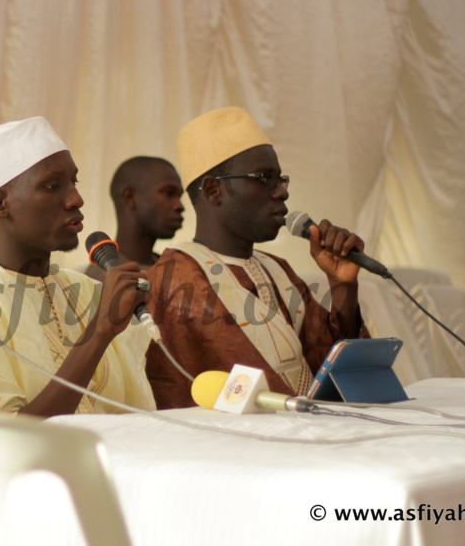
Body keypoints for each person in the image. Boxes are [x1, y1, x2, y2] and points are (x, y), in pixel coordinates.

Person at [0, 117, 156, 416]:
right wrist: (98, 332)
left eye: (74, 182)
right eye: (52, 186)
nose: (76, 199)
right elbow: (10, 442)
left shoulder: (86, 291)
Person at [145, 107, 368, 409]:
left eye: (281, 179)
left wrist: (343, 286)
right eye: (265, 178)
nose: (282, 193)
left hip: (306, 436)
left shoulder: (276, 268)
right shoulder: (175, 276)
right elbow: (175, 391)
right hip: (241, 447)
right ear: (213, 190)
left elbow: (332, 369)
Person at [84, 156, 185, 282]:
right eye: (169, 193)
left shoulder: (178, 271)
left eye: (179, 196)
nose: (180, 206)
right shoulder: (99, 280)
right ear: (130, 198)